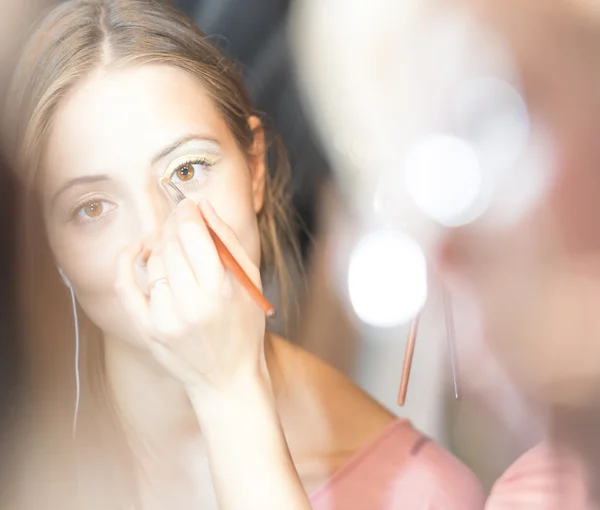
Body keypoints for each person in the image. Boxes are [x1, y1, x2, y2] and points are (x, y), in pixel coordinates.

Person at [3, 1, 484, 508]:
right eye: (92, 207)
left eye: (187, 171)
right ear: (42, 237)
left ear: (254, 168)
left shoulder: (419, 490)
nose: (159, 236)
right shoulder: (19, 457)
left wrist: (229, 390)